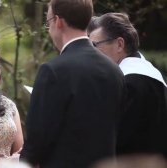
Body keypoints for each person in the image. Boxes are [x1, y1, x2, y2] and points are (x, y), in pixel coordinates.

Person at [20, 1, 125, 168]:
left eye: (48, 23)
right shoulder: (115, 70)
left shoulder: (53, 70)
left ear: (58, 21)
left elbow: (37, 140)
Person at [87, 12, 167, 157]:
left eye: (94, 45)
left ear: (119, 44)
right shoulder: (148, 75)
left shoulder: (132, 84)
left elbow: (115, 140)